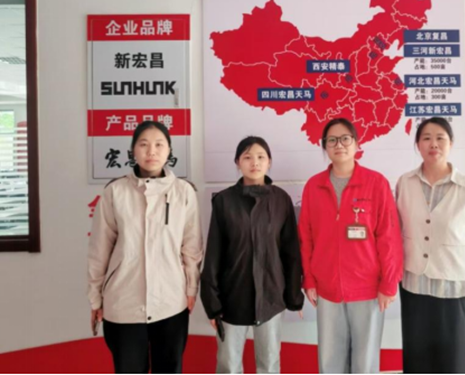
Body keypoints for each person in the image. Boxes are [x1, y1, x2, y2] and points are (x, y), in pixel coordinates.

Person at [87, 121, 202, 373]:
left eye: (159, 144)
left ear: (169, 150)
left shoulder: (183, 192)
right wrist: (95, 297)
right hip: (123, 302)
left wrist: (191, 287)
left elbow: (191, 247)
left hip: (170, 301)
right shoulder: (115, 192)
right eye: (144, 144)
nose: (152, 151)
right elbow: (99, 250)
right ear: (133, 150)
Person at [298, 118, 403, 374]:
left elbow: (389, 236)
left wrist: (389, 283)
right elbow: (305, 237)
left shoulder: (376, 183)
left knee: (365, 361)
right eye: (332, 140)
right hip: (327, 287)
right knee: (330, 360)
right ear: (324, 146)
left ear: (356, 144)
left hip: (368, 288)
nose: (339, 145)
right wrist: (309, 279)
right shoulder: (314, 186)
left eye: (346, 139)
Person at [200, 136, 304, 374]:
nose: (254, 162)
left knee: (269, 364)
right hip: (232, 296)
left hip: (271, 295)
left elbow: (290, 252)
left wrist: (293, 296)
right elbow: (214, 253)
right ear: (238, 162)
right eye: (247, 157)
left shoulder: (281, 199)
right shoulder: (224, 200)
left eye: (260, 157)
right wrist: (212, 303)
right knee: (228, 365)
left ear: (269, 162)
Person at [396, 117, 465, 373]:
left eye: (440, 138)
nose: (433, 144)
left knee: (452, 359)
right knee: (417, 358)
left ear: (451, 143)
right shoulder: (404, 183)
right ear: (417, 145)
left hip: (454, 285)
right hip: (415, 283)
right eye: (426, 138)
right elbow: (399, 229)